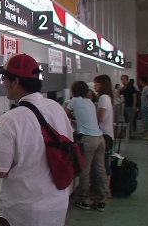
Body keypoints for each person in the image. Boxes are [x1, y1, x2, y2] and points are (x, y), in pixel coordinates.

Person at [0, 54, 73, 226]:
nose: (3, 82)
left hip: (23, 213)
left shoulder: (11, 119)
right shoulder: (56, 108)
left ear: (16, 82)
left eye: (4, 77)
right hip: (57, 204)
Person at [65, 81, 107, 212]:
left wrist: (72, 116)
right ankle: (101, 200)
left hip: (88, 140)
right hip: (100, 139)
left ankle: (84, 200)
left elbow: (64, 113)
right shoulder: (89, 102)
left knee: (84, 170)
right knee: (100, 170)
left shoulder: (74, 101)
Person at [93, 74, 114, 198]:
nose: (95, 85)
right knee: (105, 163)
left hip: (104, 135)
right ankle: (106, 189)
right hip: (108, 134)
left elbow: (100, 118)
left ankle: (106, 190)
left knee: (104, 164)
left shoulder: (103, 98)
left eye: (97, 83)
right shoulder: (107, 97)